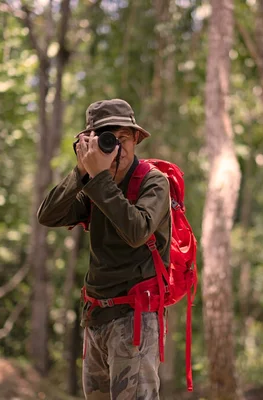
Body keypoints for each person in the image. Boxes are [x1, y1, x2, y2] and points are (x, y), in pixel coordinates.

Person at [37, 99, 171, 400]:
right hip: (96, 316)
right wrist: (81, 172)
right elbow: (48, 215)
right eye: (106, 142)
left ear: (136, 138)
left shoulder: (153, 183)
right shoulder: (95, 183)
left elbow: (137, 231)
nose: (117, 151)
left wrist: (99, 181)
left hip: (135, 317)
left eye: (121, 139)